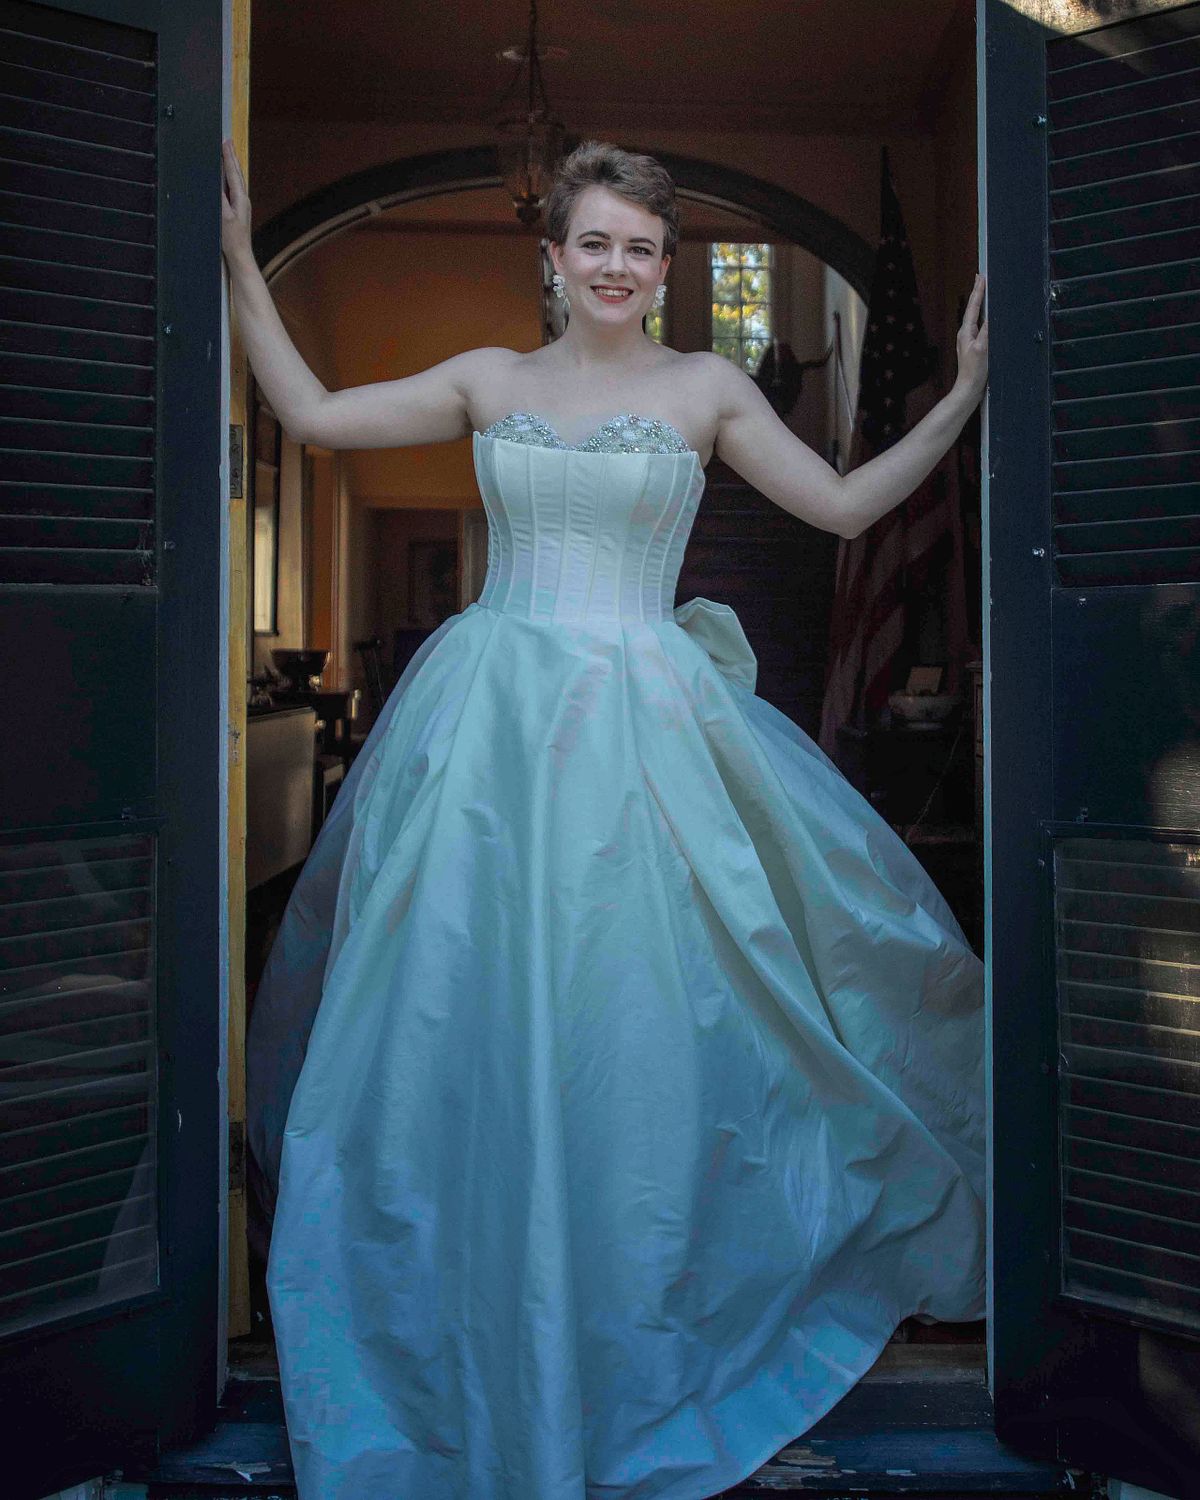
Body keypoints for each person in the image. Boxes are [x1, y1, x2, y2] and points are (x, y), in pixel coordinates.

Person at [222, 135, 989, 1500]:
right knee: (464, 1008)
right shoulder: (488, 380)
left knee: (647, 1017)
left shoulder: (706, 387)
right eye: (597, 243)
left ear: (663, 265)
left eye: (642, 247)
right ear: (555, 258)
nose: (620, 266)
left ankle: (636, 1312)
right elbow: (322, 415)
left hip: (645, 722)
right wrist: (235, 264)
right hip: (491, 722)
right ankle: (472, 1323)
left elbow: (850, 502)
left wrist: (962, 393)